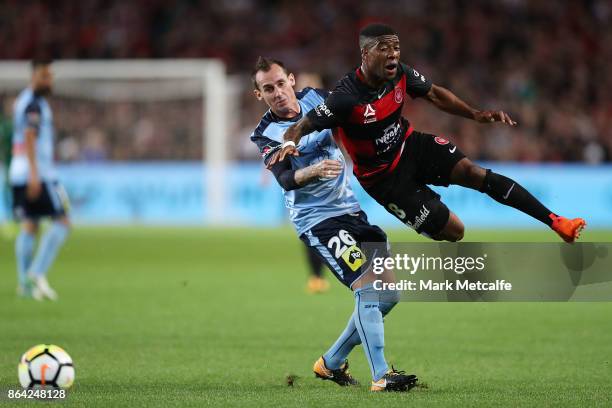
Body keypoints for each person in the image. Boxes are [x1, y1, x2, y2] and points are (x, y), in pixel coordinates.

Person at [271, 23, 586, 243]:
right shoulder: (345, 98)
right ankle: (420, 215)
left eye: (396, 47)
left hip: (410, 146)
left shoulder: (401, 75)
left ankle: (557, 221)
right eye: (385, 49)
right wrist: (288, 142)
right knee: (454, 232)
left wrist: (475, 113)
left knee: (474, 173)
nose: (394, 54)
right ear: (366, 55)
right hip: (384, 180)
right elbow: (302, 126)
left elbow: (436, 94)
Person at [250, 56, 417, 392]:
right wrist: (312, 170)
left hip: (350, 211)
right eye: (268, 88)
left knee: (389, 293)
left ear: (292, 80)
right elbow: (284, 178)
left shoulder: (318, 100)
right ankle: (381, 375)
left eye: (281, 83)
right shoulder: (266, 133)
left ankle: (331, 362)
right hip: (318, 221)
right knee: (368, 288)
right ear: (260, 95)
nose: (278, 92)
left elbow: (355, 109)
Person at [9, 59, 70, 300]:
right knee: (64, 221)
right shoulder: (34, 104)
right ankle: (37, 271)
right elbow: (29, 136)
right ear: (33, 76)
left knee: (30, 225)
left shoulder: (25, 100)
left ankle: (24, 284)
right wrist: (35, 173)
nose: (49, 81)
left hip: (19, 173)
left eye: (50, 76)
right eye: (45, 76)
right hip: (40, 174)